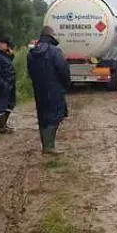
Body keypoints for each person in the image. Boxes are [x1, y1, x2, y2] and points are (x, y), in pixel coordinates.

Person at [27, 26, 72, 155]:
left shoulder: (32, 52)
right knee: (56, 115)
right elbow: (63, 70)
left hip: (39, 89)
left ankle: (46, 145)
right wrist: (66, 84)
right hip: (54, 89)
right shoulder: (55, 51)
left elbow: (30, 72)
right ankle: (49, 146)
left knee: (42, 115)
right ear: (51, 36)